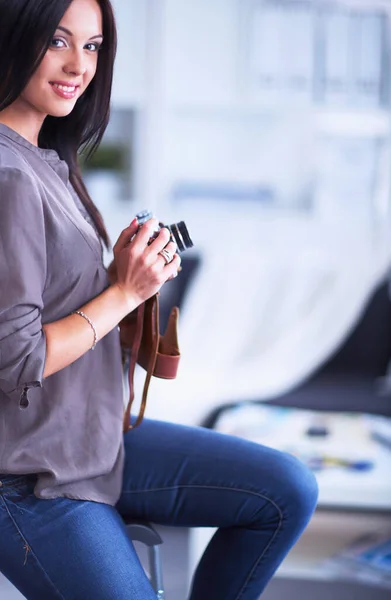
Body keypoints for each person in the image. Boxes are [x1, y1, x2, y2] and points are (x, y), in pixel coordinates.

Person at [0, 1, 319, 598]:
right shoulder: (9, 175)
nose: (79, 65)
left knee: (286, 489)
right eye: (57, 41)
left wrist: (123, 276)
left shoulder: (48, 160)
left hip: (92, 440)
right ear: (14, 38)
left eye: (93, 47)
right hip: (29, 475)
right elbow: (17, 360)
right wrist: (124, 292)